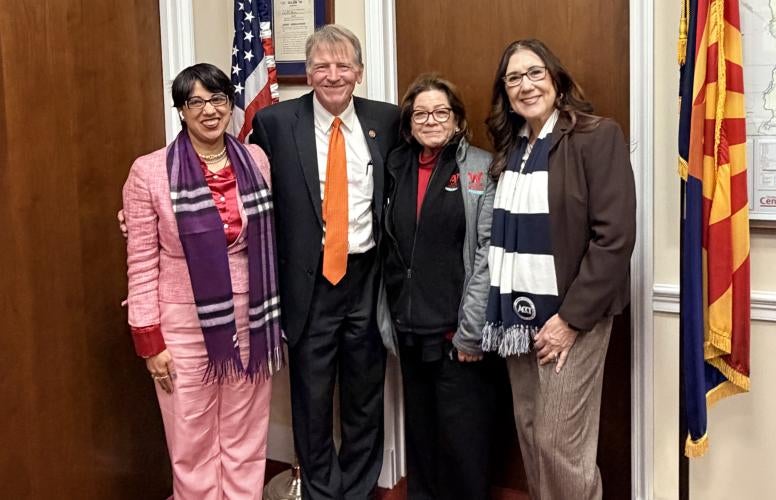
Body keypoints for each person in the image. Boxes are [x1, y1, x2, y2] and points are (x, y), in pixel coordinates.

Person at [250, 25, 400, 500]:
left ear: (359, 71)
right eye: (322, 66)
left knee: (363, 396)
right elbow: (238, 183)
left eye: (343, 65)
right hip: (309, 285)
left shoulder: (388, 120)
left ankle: (355, 490)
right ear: (307, 72)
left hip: (366, 278)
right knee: (311, 402)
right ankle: (320, 491)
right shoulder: (275, 123)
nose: (333, 75)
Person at [481, 39, 636, 500]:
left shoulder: (595, 135)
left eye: (534, 73)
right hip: (515, 319)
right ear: (504, 91)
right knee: (531, 434)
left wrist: (569, 321)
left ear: (556, 79)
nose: (525, 85)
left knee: (558, 443)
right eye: (513, 78)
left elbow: (614, 237)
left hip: (573, 318)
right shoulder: (513, 148)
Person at [122, 63, 283, 499]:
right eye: (196, 101)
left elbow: (270, 236)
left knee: (245, 429)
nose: (209, 110)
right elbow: (139, 261)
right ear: (180, 111)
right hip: (182, 321)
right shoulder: (149, 172)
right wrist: (150, 341)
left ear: (230, 105)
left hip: (252, 315)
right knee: (189, 432)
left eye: (218, 99)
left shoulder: (256, 160)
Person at [381, 73, 498, 500]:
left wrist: (470, 328)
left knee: (462, 442)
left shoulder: (480, 168)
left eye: (441, 112)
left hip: (457, 335)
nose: (430, 120)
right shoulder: (396, 166)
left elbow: (486, 253)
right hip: (409, 329)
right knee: (423, 438)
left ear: (457, 119)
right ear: (409, 120)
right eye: (421, 112)